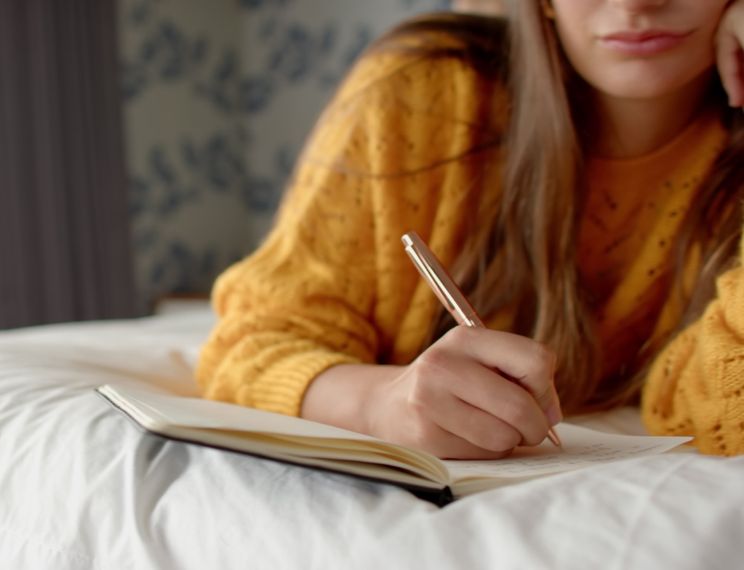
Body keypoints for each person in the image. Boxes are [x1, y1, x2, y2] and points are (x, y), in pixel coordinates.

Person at [196, 0, 744, 459]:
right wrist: (380, 404)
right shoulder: (425, 93)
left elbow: (716, 409)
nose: (636, 3)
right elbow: (249, 344)